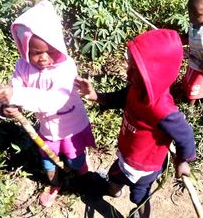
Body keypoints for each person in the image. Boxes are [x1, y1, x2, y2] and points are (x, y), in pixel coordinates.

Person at [76, 29, 196, 218]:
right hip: (126, 155)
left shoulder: (162, 110)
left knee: (140, 196)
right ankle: (114, 191)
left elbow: (185, 135)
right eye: (130, 65)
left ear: (156, 74)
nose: (128, 71)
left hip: (145, 168)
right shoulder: (135, 89)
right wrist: (95, 96)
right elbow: (117, 98)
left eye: (135, 69)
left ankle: (142, 214)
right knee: (115, 175)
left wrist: (182, 160)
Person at [0, 0, 95, 208]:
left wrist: (18, 96)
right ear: (24, 48)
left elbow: (53, 100)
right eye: (35, 52)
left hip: (71, 128)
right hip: (47, 130)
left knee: (75, 159)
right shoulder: (22, 66)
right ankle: (54, 184)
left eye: (49, 51)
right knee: (48, 162)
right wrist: (8, 107)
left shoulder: (65, 67)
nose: (43, 58)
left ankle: (83, 176)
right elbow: (16, 91)